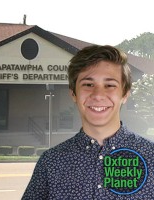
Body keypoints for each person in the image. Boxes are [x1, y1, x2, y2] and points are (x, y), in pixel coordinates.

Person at [21, 45, 154, 199]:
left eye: (110, 85)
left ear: (125, 94)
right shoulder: (51, 163)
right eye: (88, 84)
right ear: (73, 93)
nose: (98, 95)